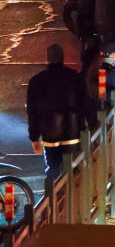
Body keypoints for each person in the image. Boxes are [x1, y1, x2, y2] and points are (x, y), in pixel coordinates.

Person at [26, 44, 91, 180]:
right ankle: (73, 197)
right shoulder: (75, 78)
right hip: (73, 132)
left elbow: (32, 112)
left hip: (49, 134)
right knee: (73, 168)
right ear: (62, 58)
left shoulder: (37, 81)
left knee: (54, 168)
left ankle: (54, 196)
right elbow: (85, 103)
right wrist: (88, 125)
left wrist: (34, 137)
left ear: (48, 59)